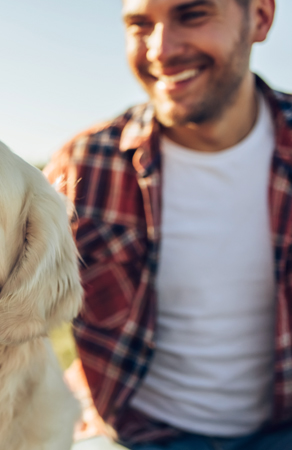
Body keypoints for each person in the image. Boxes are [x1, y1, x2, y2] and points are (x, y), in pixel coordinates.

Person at [44, 0, 292, 448]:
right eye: (140, 25)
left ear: (260, 17)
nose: (161, 49)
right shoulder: (84, 167)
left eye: (192, 15)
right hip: (133, 432)